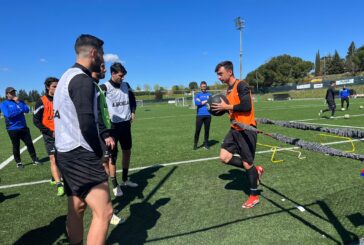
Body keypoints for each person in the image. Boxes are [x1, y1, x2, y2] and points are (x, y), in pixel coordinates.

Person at [53, 34, 114, 244]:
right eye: (102, 54)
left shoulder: (65, 77)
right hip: (80, 153)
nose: (102, 59)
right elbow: (86, 123)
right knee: (104, 212)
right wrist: (101, 153)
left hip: (65, 153)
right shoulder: (82, 80)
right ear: (94, 53)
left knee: (77, 207)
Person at [211, 61, 264, 209]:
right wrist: (220, 110)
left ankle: (254, 196)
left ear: (229, 72)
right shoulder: (228, 90)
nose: (219, 77)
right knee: (224, 157)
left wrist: (226, 106)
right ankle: (256, 170)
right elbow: (232, 109)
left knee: (247, 163)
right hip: (234, 129)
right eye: (218, 75)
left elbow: (246, 106)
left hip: (247, 129)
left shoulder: (242, 85)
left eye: (220, 74)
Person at [92, 63, 125, 226]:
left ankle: (106, 207)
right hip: (98, 135)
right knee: (101, 170)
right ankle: (105, 211)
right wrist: (105, 134)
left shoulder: (95, 87)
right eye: (101, 67)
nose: (103, 70)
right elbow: (94, 115)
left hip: (105, 131)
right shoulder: (92, 87)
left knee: (105, 166)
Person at [99, 62, 138, 197]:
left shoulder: (126, 86)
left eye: (124, 76)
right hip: (113, 127)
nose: (123, 78)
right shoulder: (104, 87)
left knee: (127, 151)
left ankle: (125, 179)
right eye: (121, 76)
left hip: (126, 124)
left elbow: (132, 99)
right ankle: (115, 185)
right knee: (112, 157)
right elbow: (99, 107)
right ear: (113, 73)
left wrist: (133, 111)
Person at [33, 77, 64, 196]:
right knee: (53, 159)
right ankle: (59, 184)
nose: (57, 88)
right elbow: (36, 120)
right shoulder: (41, 101)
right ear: (47, 87)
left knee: (62, 158)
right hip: (49, 135)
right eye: (54, 86)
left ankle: (53, 177)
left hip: (63, 135)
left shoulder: (61, 99)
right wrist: (49, 132)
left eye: (58, 86)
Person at [1, 87, 39, 168]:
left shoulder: (20, 101)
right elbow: (9, 115)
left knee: (29, 144)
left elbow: (26, 110)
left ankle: (35, 159)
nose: (13, 94)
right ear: (7, 94)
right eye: (11, 93)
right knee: (16, 146)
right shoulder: (4, 104)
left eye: (14, 92)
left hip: (23, 127)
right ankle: (18, 162)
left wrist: (18, 102)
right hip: (12, 129)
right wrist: (19, 110)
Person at [193, 81, 212, 150]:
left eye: (204, 86)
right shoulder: (197, 95)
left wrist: (201, 101)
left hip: (208, 115)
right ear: (200, 87)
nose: (203, 87)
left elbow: (212, 103)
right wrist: (205, 101)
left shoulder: (210, 94)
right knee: (197, 130)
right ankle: (195, 144)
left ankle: (206, 144)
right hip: (200, 115)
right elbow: (197, 103)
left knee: (207, 131)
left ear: (206, 87)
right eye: (202, 86)